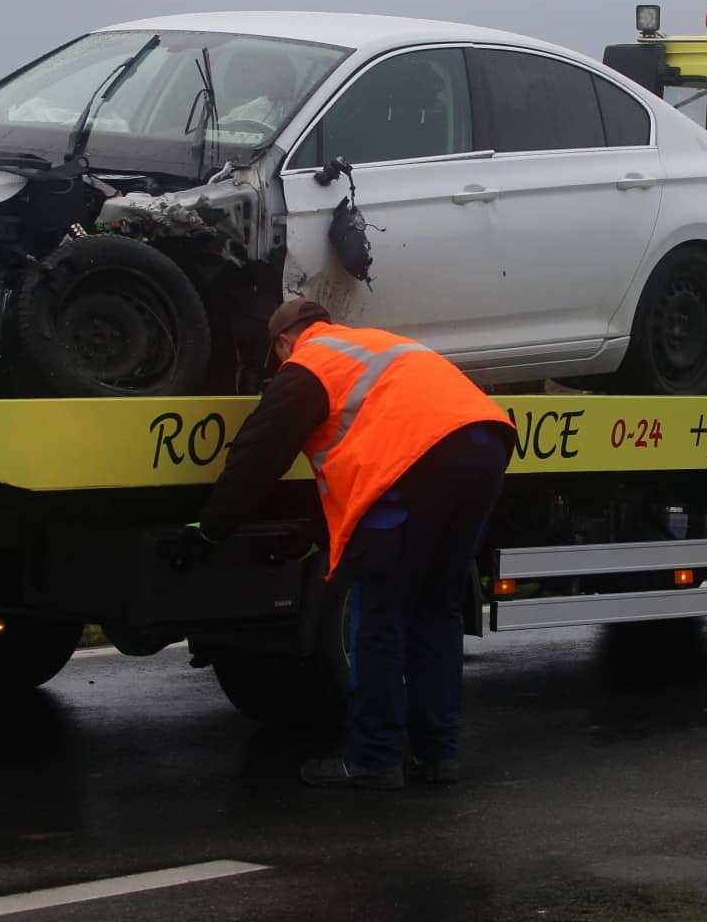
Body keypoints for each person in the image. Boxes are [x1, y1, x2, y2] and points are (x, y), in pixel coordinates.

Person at [197, 299, 515, 788]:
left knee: (381, 613)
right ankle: (437, 755)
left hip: (416, 462)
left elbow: (257, 455)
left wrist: (212, 529)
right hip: (485, 442)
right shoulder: (369, 344)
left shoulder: (307, 363)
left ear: (284, 341)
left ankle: (374, 757)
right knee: (436, 608)